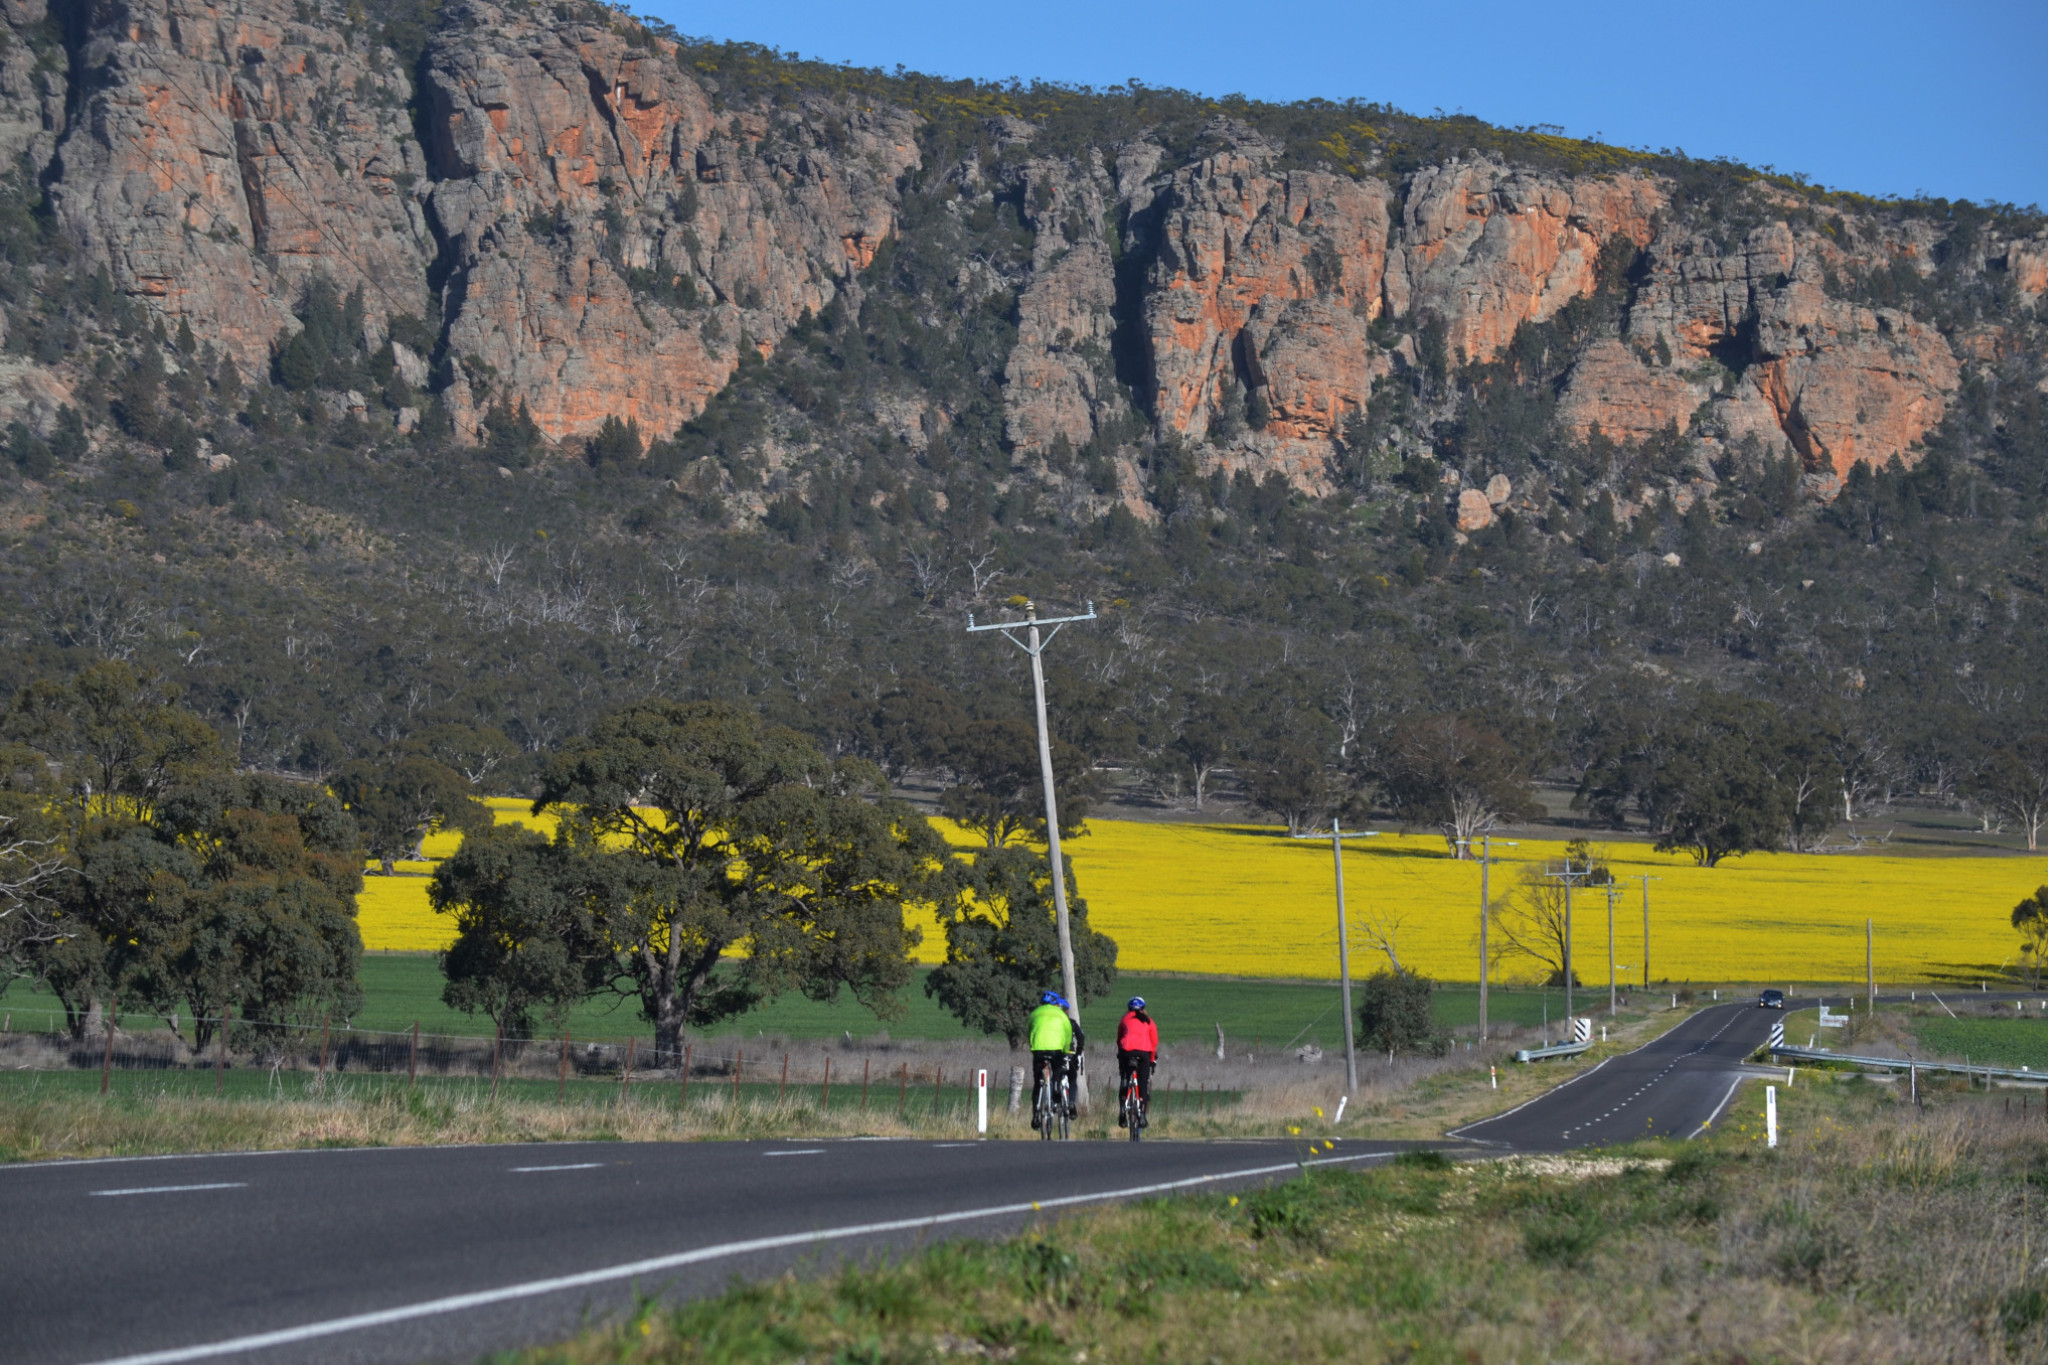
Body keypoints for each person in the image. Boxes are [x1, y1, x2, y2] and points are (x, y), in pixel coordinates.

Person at [1027, 991, 1083, 1126]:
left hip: (1038, 1050)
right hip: (1056, 1050)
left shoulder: (1035, 1013)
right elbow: (1069, 1035)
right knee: (1058, 1068)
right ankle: (1057, 1087)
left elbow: (1029, 1031)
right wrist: (1066, 1051)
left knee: (1037, 1083)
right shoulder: (1062, 1016)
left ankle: (1035, 1116)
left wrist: (1033, 1046)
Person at [1116, 996, 1158, 1128]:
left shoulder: (1124, 1019)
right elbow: (1154, 1042)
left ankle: (1123, 1110)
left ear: (1128, 1009)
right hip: (1143, 1053)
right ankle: (1143, 1116)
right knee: (1143, 1084)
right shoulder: (1149, 1021)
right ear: (1144, 1008)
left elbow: (1119, 1039)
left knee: (1124, 1077)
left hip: (1127, 1051)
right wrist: (1151, 1060)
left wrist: (1121, 1053)